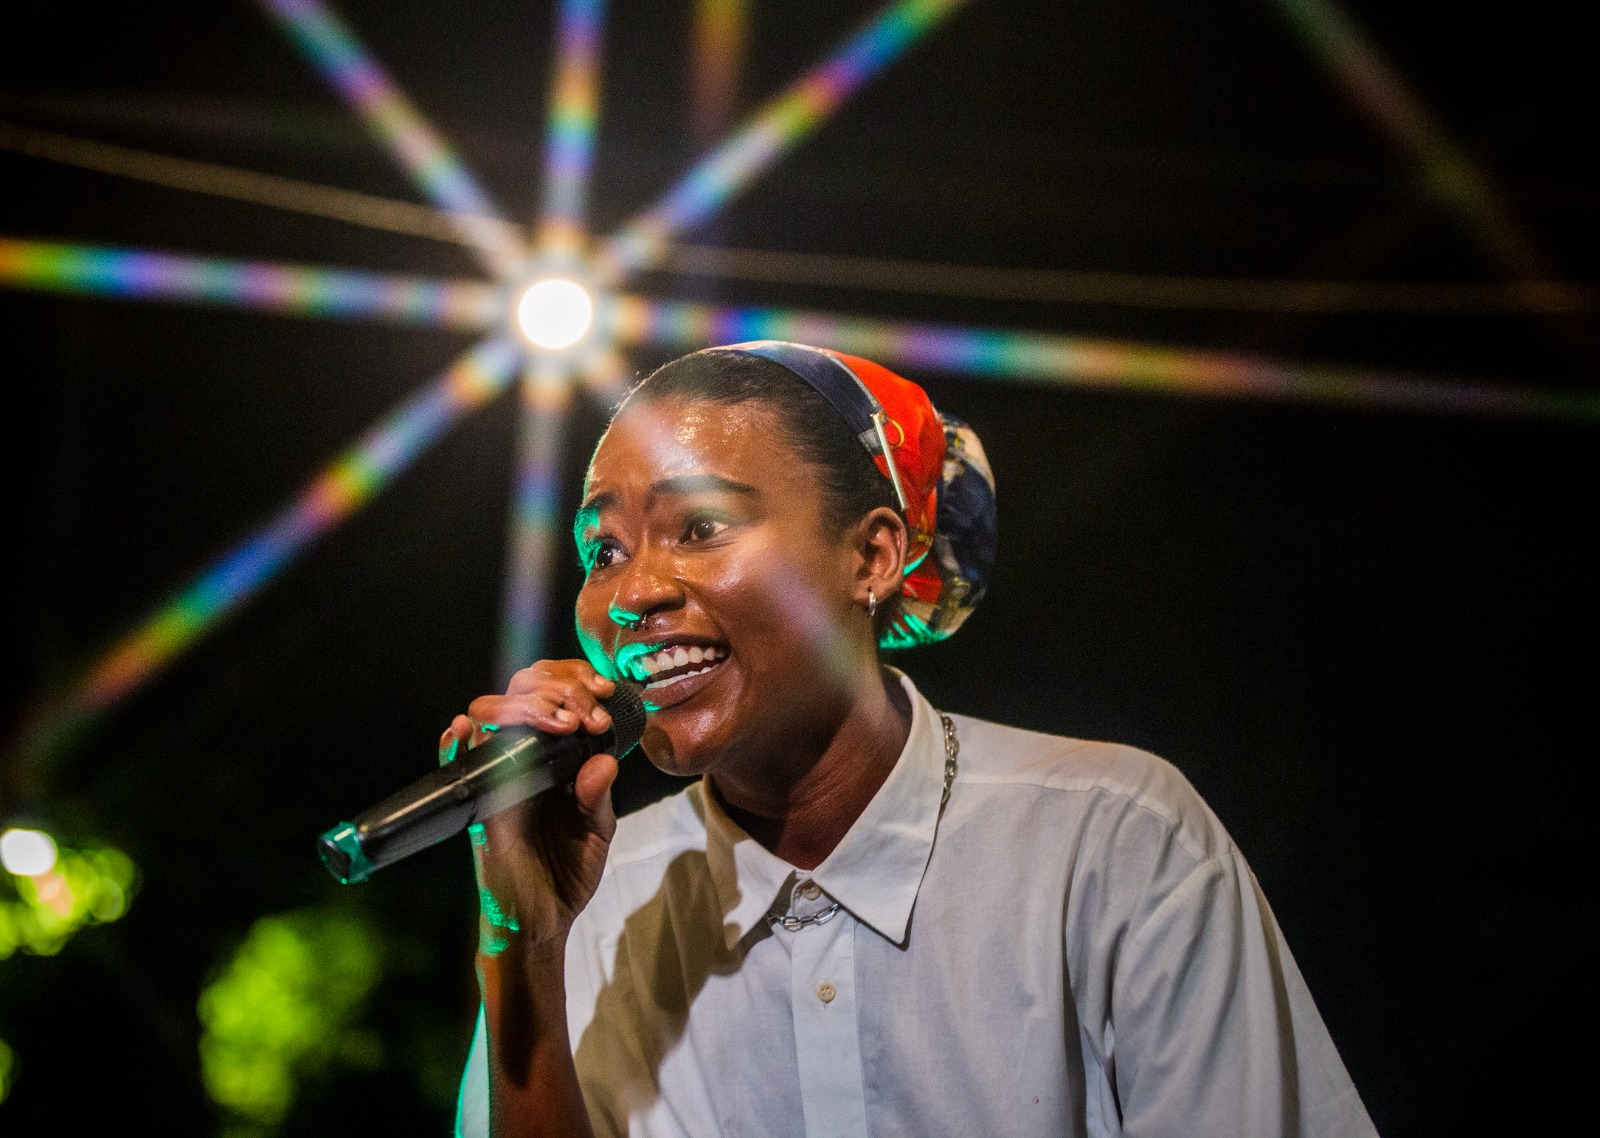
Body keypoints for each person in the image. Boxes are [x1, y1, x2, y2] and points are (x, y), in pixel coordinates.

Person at [445, 342, 1377, 1137]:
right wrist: (523, 947)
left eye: (701, 526)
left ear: (874, 556)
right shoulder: (595, 908)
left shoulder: (1109, 840)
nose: (632, 594)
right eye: (604, 550)